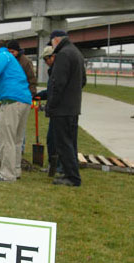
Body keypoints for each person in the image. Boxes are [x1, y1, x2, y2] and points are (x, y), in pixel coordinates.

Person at [0, 40, 32, 182]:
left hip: (12, 103)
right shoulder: (11, 59)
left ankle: (7, 175)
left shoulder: (2, 54)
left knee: (6, 139)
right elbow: (9, 85)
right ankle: (15, 171)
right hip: (24, 101)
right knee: (17, 140)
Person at [46, 30, 86, 187]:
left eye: (51, 42)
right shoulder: (76, 52)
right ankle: (71, 172)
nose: (52, 45)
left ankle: (72, 177)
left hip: (62, 109)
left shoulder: (63, 54)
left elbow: (58, 83)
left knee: (63, 143)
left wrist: (52, 104)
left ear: (56, 39)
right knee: (71, 142)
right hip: (73, 107)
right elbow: (83, 80)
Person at [35, 45, 62, 176]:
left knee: (55, 139)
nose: (46, 62)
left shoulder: (58, 71)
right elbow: (50, 91)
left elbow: (57, 92)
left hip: (59, 111)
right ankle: (53, 165)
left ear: (53, 56)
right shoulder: (52, 71)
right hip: (54, 110)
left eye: (46, 59)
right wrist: (39, 95)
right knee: (51, 139)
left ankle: (58, 166)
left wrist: (50, 104)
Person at [7, 39, 37, 153]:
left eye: (12, 51)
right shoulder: (7, 61)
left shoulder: (25, 62)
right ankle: (10, 148)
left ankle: (20, 148)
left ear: (17, 51)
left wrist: (30, 95)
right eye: (8, 51)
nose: (10, 54)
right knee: (10, 124)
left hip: (23, 97)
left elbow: (32, 79)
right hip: (10, 97)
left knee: (20, 125)